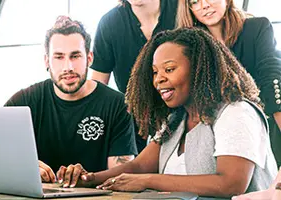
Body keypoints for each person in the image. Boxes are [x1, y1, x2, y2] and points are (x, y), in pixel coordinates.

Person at [56, 28, 277, 197]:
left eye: (169, 69)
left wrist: (149, 180)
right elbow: (139, 166)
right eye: (155, 72)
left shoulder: (236, 112)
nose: (158, 79)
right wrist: (89, 178)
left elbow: (231, 183)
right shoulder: (177, 119)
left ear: (199, 68)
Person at [4, 16, 137, 185]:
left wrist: (86, 178)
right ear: (47, 61)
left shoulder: (117, 104)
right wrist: (24, 167)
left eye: (75, 56)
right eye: (59, 57)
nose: (68, 67)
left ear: (89, 58)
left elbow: (121, 178)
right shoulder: (23, 101)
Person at [176, 0, 281, 167]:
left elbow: (271, 75)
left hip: (264, 121)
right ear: (189, 9)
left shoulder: (257, 28)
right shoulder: (189, 46)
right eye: (195, 2)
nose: (204, 5)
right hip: (215, 130)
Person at [90, 0, 178, 153]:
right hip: (136, 125)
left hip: (185, 116)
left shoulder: (181, 9)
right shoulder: (110, 23)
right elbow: (98, 90)